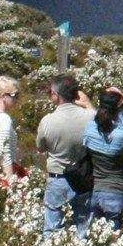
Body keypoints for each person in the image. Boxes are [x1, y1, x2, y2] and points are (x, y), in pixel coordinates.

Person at [35, 73, 95, 234]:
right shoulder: (90, 116)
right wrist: (88, 104)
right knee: (82, 225)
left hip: (57, 178)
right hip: (83, 176)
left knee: (52, 227)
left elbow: (40, 148)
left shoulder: (47, 121)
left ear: (55, 95)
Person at [82, 84, 123, 232]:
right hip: (116, 192)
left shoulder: (90, 129)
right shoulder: (121, 135)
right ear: (118, 111)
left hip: (96, 191)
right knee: (115, 240)